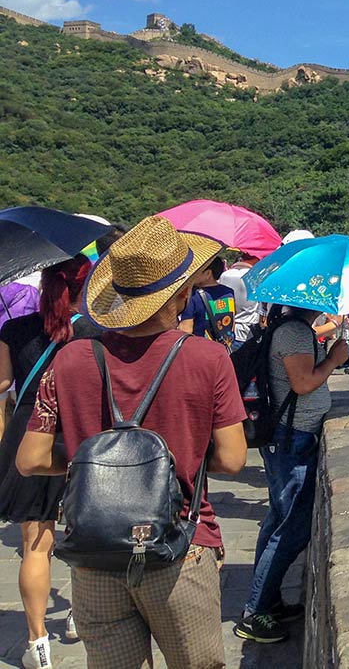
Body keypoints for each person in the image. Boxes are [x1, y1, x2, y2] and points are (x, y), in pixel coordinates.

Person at [15, 217, 248, 669]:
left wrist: (97, 463)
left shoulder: (71, 359)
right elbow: (234, 459)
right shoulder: (207, 358)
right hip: (179, 545)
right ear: (182, 294)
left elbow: (31, 459)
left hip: (95, 555)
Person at [0, 257, 97, 669]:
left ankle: (38, 645)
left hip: (29, 435)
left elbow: (3, 384)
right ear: (83, 286)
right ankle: (77, 615)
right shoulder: (94, 332)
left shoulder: (14, 328)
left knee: (34, 545)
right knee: (85, 536)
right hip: (78, 432)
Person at [238, 301, 349, 643]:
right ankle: (254, 613)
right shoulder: (295, 333)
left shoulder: (289, 329)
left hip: (288, 438)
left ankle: (268, 601)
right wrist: (334, 359)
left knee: (276, 522)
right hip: (293, 441)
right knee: (291, 531)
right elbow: (302, 383)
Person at [178, 256, 236, 350]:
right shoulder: (229, 292)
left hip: (201, 350)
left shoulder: (193, 296)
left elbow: (185, 329)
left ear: (208, 273)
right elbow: (232, 319)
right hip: (225, 348)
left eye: (197, 271)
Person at [217, 251, 261, 350]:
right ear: (256, 259)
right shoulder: (255, 277)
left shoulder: (225, 275)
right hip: (247, 332)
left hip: (226, 330)